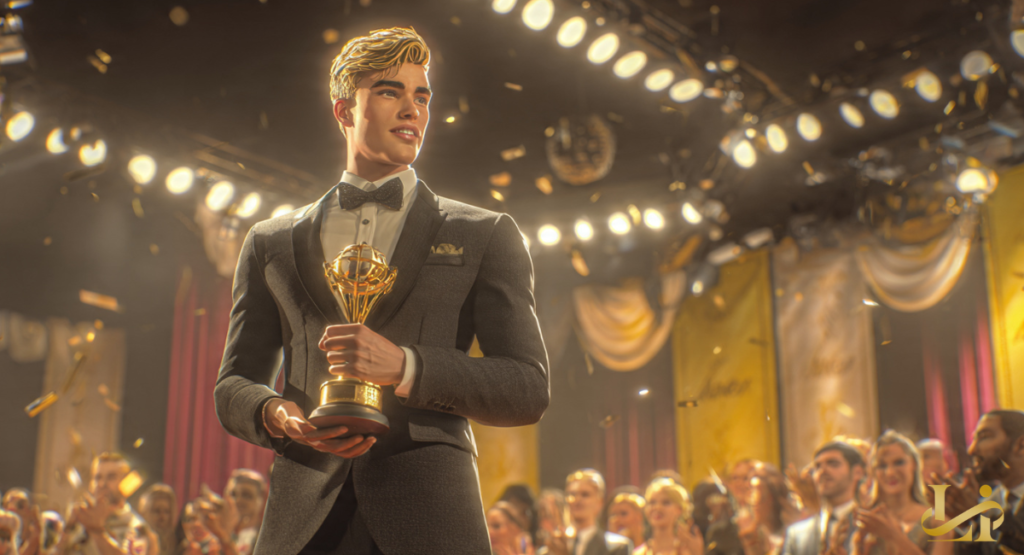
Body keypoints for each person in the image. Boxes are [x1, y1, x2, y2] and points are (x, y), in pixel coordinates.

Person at [213, 26, 550, 555]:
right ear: (344, 110)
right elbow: (233, 383)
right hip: (301, 521)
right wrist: (274, 414)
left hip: (432, 521)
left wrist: (405, 366)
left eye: (422, 96)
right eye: (391, 91)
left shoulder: (485, 233)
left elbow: (527, 387)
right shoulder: (269, 241)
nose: (412, 109)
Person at [851, 430, 951, 555]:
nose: (890, 473)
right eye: (882, 466)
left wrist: (893, 536)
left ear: (914, 464)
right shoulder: (868, 521)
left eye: (899, 463)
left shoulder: (937, 522)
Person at [939, 410, 1024, 554]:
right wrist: (965, 524)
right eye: (974, 439)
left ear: (1021, 445)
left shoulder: (985, 511)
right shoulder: (990, 503)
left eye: (984, 437)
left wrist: (979, 516)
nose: (971, 450)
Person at [58, 452, 158, 555]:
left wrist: (97, 532)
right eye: (98, 478)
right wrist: (68, 528)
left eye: (111, 477)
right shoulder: (80, 523)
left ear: (126, 483)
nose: (102, 484)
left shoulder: (138, 528)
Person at [780, 442, 865, 555]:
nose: (823, 471)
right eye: (817, 467)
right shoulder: (797, 534)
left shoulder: (870, 529)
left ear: (857, 472)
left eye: (833, 464)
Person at [543, 470, 631, 555]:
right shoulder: (554, 546)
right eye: (572, 494)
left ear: (599, 502)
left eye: (585, 494)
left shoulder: (616, 547)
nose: (577, 500)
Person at [738, 464, 800, 555]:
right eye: (751, 490)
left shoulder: (795, 531)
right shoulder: (751, 534)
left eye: (757, 490)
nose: (753, 499)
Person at [635, 478, 702, 555]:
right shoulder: (639, 552)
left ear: (679, 509)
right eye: (652, 502)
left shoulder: (688, 551)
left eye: (666, 503)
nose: (657, 507)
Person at [139, 484, 178, 555]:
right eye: (156, 511)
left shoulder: (178, 545)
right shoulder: (135, 541)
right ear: (144, 513)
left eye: (167, 512)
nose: (162, 517)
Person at [2, 489, 39, 555]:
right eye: (8, 505)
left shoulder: (38, 538)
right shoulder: (4, 537)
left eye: (20, 505)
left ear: (31, 511)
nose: (14, 510)